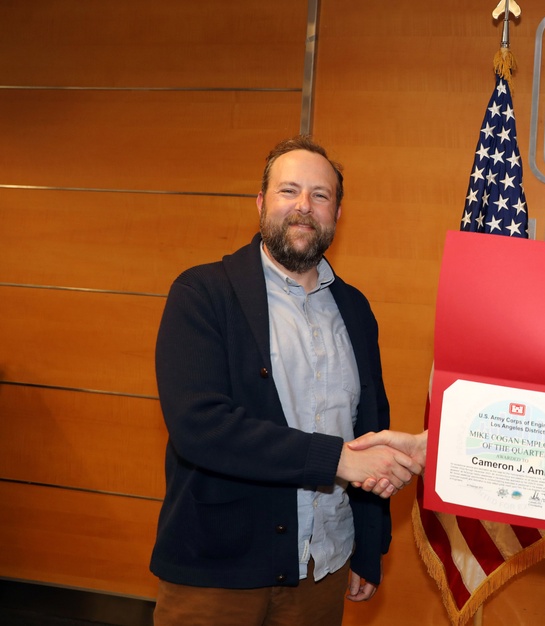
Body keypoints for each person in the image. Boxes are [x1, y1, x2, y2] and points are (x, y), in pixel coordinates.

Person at [150, 135, 423, 626]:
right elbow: (201, 427)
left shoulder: (356, 309)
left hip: (324, 568)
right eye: (288, 191)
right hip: (219, 572)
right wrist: (338, 459)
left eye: (320, 195)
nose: (304, 206)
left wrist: (368, 546)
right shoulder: (202, 293)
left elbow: (369, 423)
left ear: (337, 213)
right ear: (260, 203)